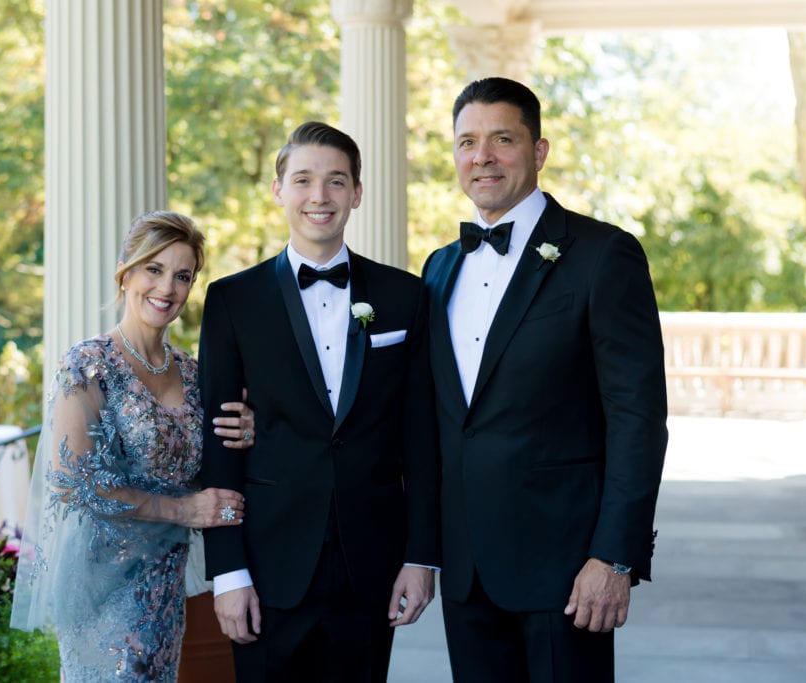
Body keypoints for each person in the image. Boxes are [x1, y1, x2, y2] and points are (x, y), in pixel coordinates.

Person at [421, 77, 668, 682]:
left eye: (502, 139)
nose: (483, 156)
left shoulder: (603, 255)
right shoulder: (438, 267)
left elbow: (638, 418)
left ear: (539, 150)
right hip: (466, 566)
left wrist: (614, 556)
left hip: (567, 570)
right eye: (467, 141)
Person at [197, 121, 441, 682]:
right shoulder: (233, 299)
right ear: (279, 189)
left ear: (357, 193)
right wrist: (229, 572)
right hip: (267, 565)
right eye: (303, 179)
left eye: (336, 181)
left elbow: (421, 436)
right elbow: (221, 442)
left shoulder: (404, 295)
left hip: (372, 566)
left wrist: (421, 556)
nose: (319, 196)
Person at [10, 210, 256, 681]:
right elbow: (72, 485)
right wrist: (184, 511)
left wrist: (248, 432)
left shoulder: (193, 372)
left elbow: (208, 467)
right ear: (126, 273)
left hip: (164, 588)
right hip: (101, 587)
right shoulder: (89, 364)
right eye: (154, 269)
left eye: (183, 276)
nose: (167, 288)